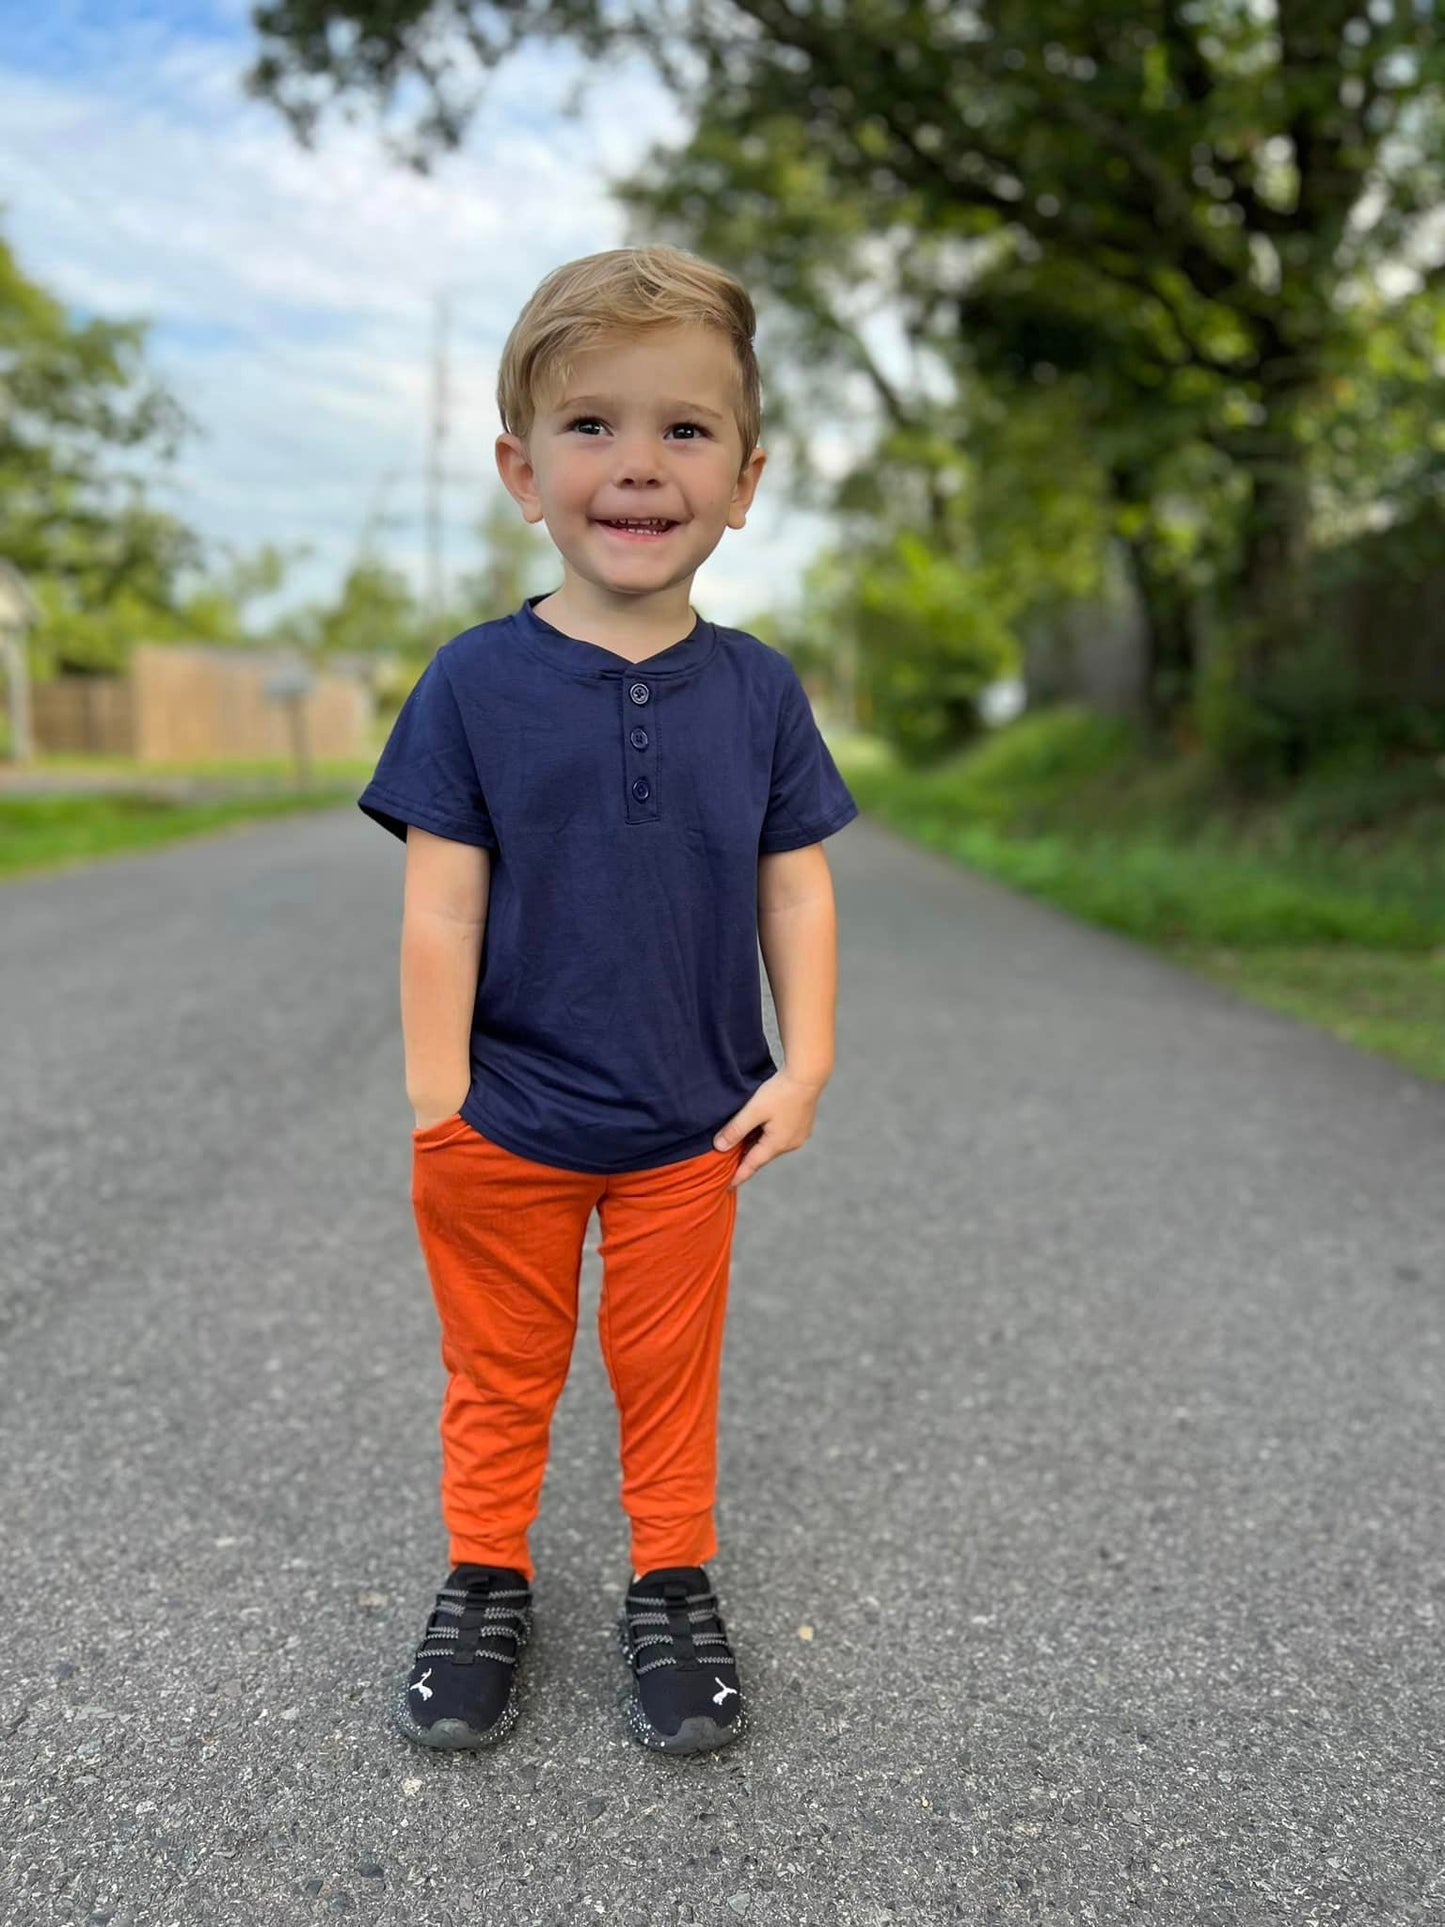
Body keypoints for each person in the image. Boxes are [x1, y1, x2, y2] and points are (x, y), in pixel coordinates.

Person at [356, 243, 859, 1757]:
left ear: (745, 476)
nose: (637, 466)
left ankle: (669, 1580)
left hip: (685, 1130)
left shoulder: (759, 688)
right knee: (501, 1373)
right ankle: (485, 1575)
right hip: (501, 1118)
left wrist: (807, 1063)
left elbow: (795, 886)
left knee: (663, 1375)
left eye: (684, 430)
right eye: (592, 427)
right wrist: (437, 1096)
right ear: (522, 469)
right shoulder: (470, 681)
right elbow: (442, 895)